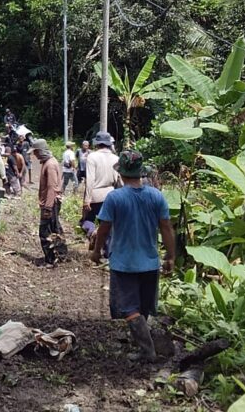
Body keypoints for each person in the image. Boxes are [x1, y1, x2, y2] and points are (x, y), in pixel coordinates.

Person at [90, 150, 177, 362]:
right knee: (142, 307)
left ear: (121, 174)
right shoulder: (156, 196)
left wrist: (96, 251)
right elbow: (166, 228)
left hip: (124, 263)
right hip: (149, 262)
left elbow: (103, 228)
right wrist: (171, 256)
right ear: (141, 173)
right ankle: (142, 343)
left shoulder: (115, 198)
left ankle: (147, 351)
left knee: (128, 308)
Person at [82, 132, 120, 249]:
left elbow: (90, 180)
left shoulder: (92, 157)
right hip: (111, 195)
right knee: (108, 225)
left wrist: (87, 199)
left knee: (86, 221)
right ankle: (108, 255)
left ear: (97, 144)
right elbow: (119, 180)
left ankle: (93, 232)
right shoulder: (116, 158)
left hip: (95, 195)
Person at [32, 139, 66, 265]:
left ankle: (51, 259)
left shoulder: (50, 164)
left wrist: (47, 207)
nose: (34, 155)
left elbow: (52, 187)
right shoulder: (48, 162)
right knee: (55, 228)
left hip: (50, 202)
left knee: (45, 231)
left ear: (40, 151)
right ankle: (60, 255)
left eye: (35, 152)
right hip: (51, 202)